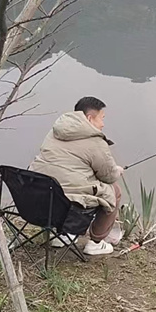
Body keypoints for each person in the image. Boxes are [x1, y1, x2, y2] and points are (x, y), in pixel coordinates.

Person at [29, 97, 123, 256]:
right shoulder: (95, 142)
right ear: (89, 118)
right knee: (114, 190)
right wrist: (117, 170)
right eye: (102, 118)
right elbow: (108, 176)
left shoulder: (54, 132)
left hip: (39, 199)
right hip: (70, 206)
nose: (103, 124)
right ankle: (96, 242)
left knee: (62, 182)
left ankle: (63, 235)